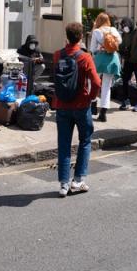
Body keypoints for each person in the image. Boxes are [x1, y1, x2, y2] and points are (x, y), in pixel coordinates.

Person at [53, 22, 101, 197]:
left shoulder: (58, 55)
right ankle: (78, 180)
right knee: (85, 141)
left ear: (67, 36)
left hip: (62, 106)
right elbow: (96, 82)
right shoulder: (85, 57)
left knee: (64, 144)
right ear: (81, 37)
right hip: (81, 105)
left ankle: (64, 184)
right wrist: (91, 97)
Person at [88, 12, 121, 123]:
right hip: (112, 59)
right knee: (107, 86)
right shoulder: (113, 30)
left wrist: (100, 48)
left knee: (93, 82)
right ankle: (103, 112)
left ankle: (93, 105)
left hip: (100, 59)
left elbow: (92, 49)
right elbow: (119, 42)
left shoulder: (97, 31)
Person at [118, 17, 137, 112]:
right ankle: (126, 100)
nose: (124, 28)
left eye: (125, 25)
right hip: (128, 60)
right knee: (125, 80)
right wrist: (121, 50)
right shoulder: (125, 33)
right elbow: (121, 45)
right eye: (123, 26)